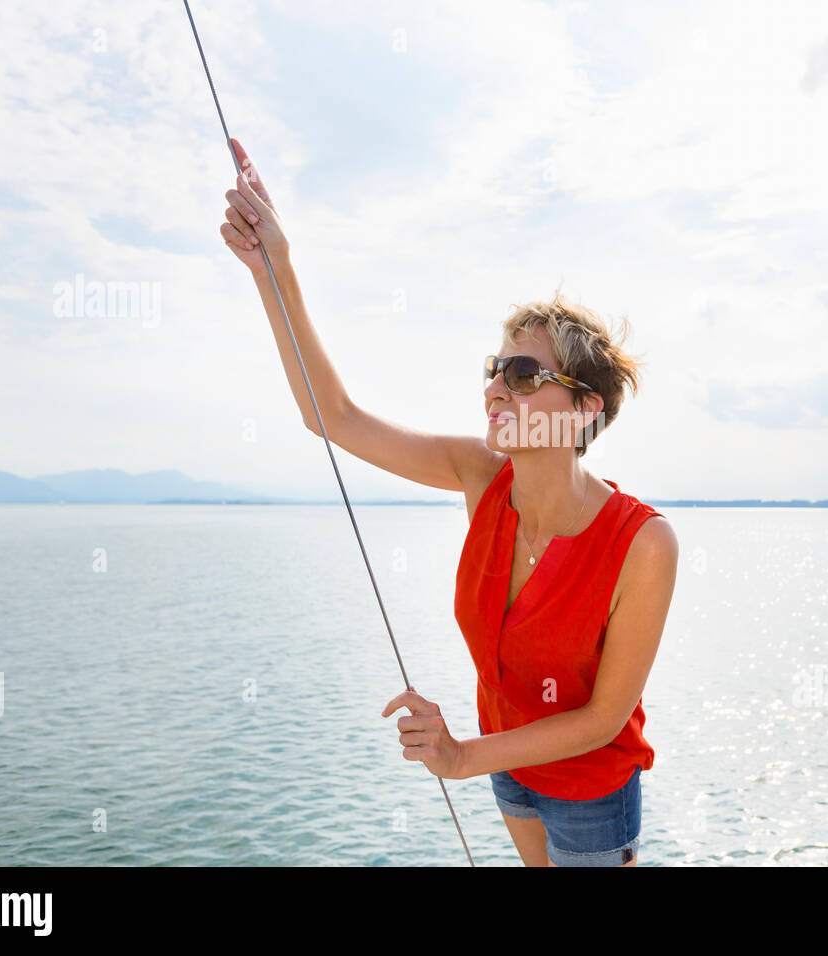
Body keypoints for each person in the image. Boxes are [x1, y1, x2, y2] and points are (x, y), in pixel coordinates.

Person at [220, 139, 679, 867]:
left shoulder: (644, 543)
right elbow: (330, 415)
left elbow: (602, 718)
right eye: (496, 368)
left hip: (588, 786)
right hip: (505, 764)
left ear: (584, 410)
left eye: (524, 373)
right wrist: (274, 271)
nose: (496, 385)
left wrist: (463, 756)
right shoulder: (478, 472)